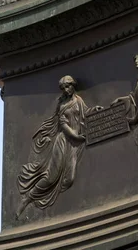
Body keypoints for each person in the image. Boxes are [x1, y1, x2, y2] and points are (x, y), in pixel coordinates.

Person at [16, 75, 101, 218]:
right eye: (63, 88)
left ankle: (61, 209)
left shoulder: (78, 100)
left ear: (73, 85)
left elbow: (85, 113)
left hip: (74, 144)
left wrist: (94, 110)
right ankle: (27, 199)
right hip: (63, 141)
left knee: (69, 179)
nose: (66, 89)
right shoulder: (62, 105)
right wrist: (75, 136)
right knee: (51, 177)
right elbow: (63, 125)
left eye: (68, 86)